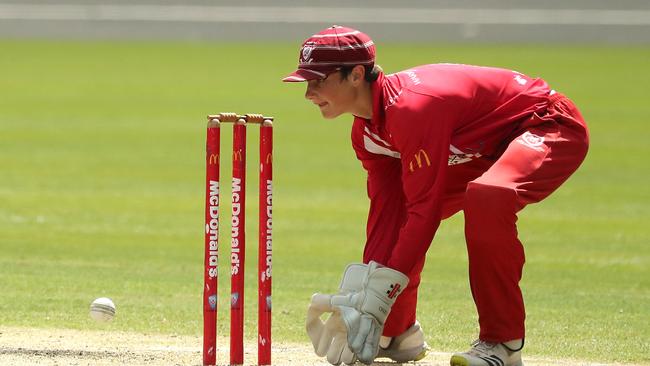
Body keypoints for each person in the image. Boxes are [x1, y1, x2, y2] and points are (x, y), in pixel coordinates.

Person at [283, 25, 589, 366]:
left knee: (487, 196)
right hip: (480, 148)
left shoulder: (413, 110)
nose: (309, 93)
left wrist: (380, 293)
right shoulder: (367, 134)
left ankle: (503, 343)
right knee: (401, 213)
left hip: (545, 123)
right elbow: (389, 218)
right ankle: (398, 334)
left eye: (318, 80)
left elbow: (424, 211)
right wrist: (369, 295)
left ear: (356, 74)